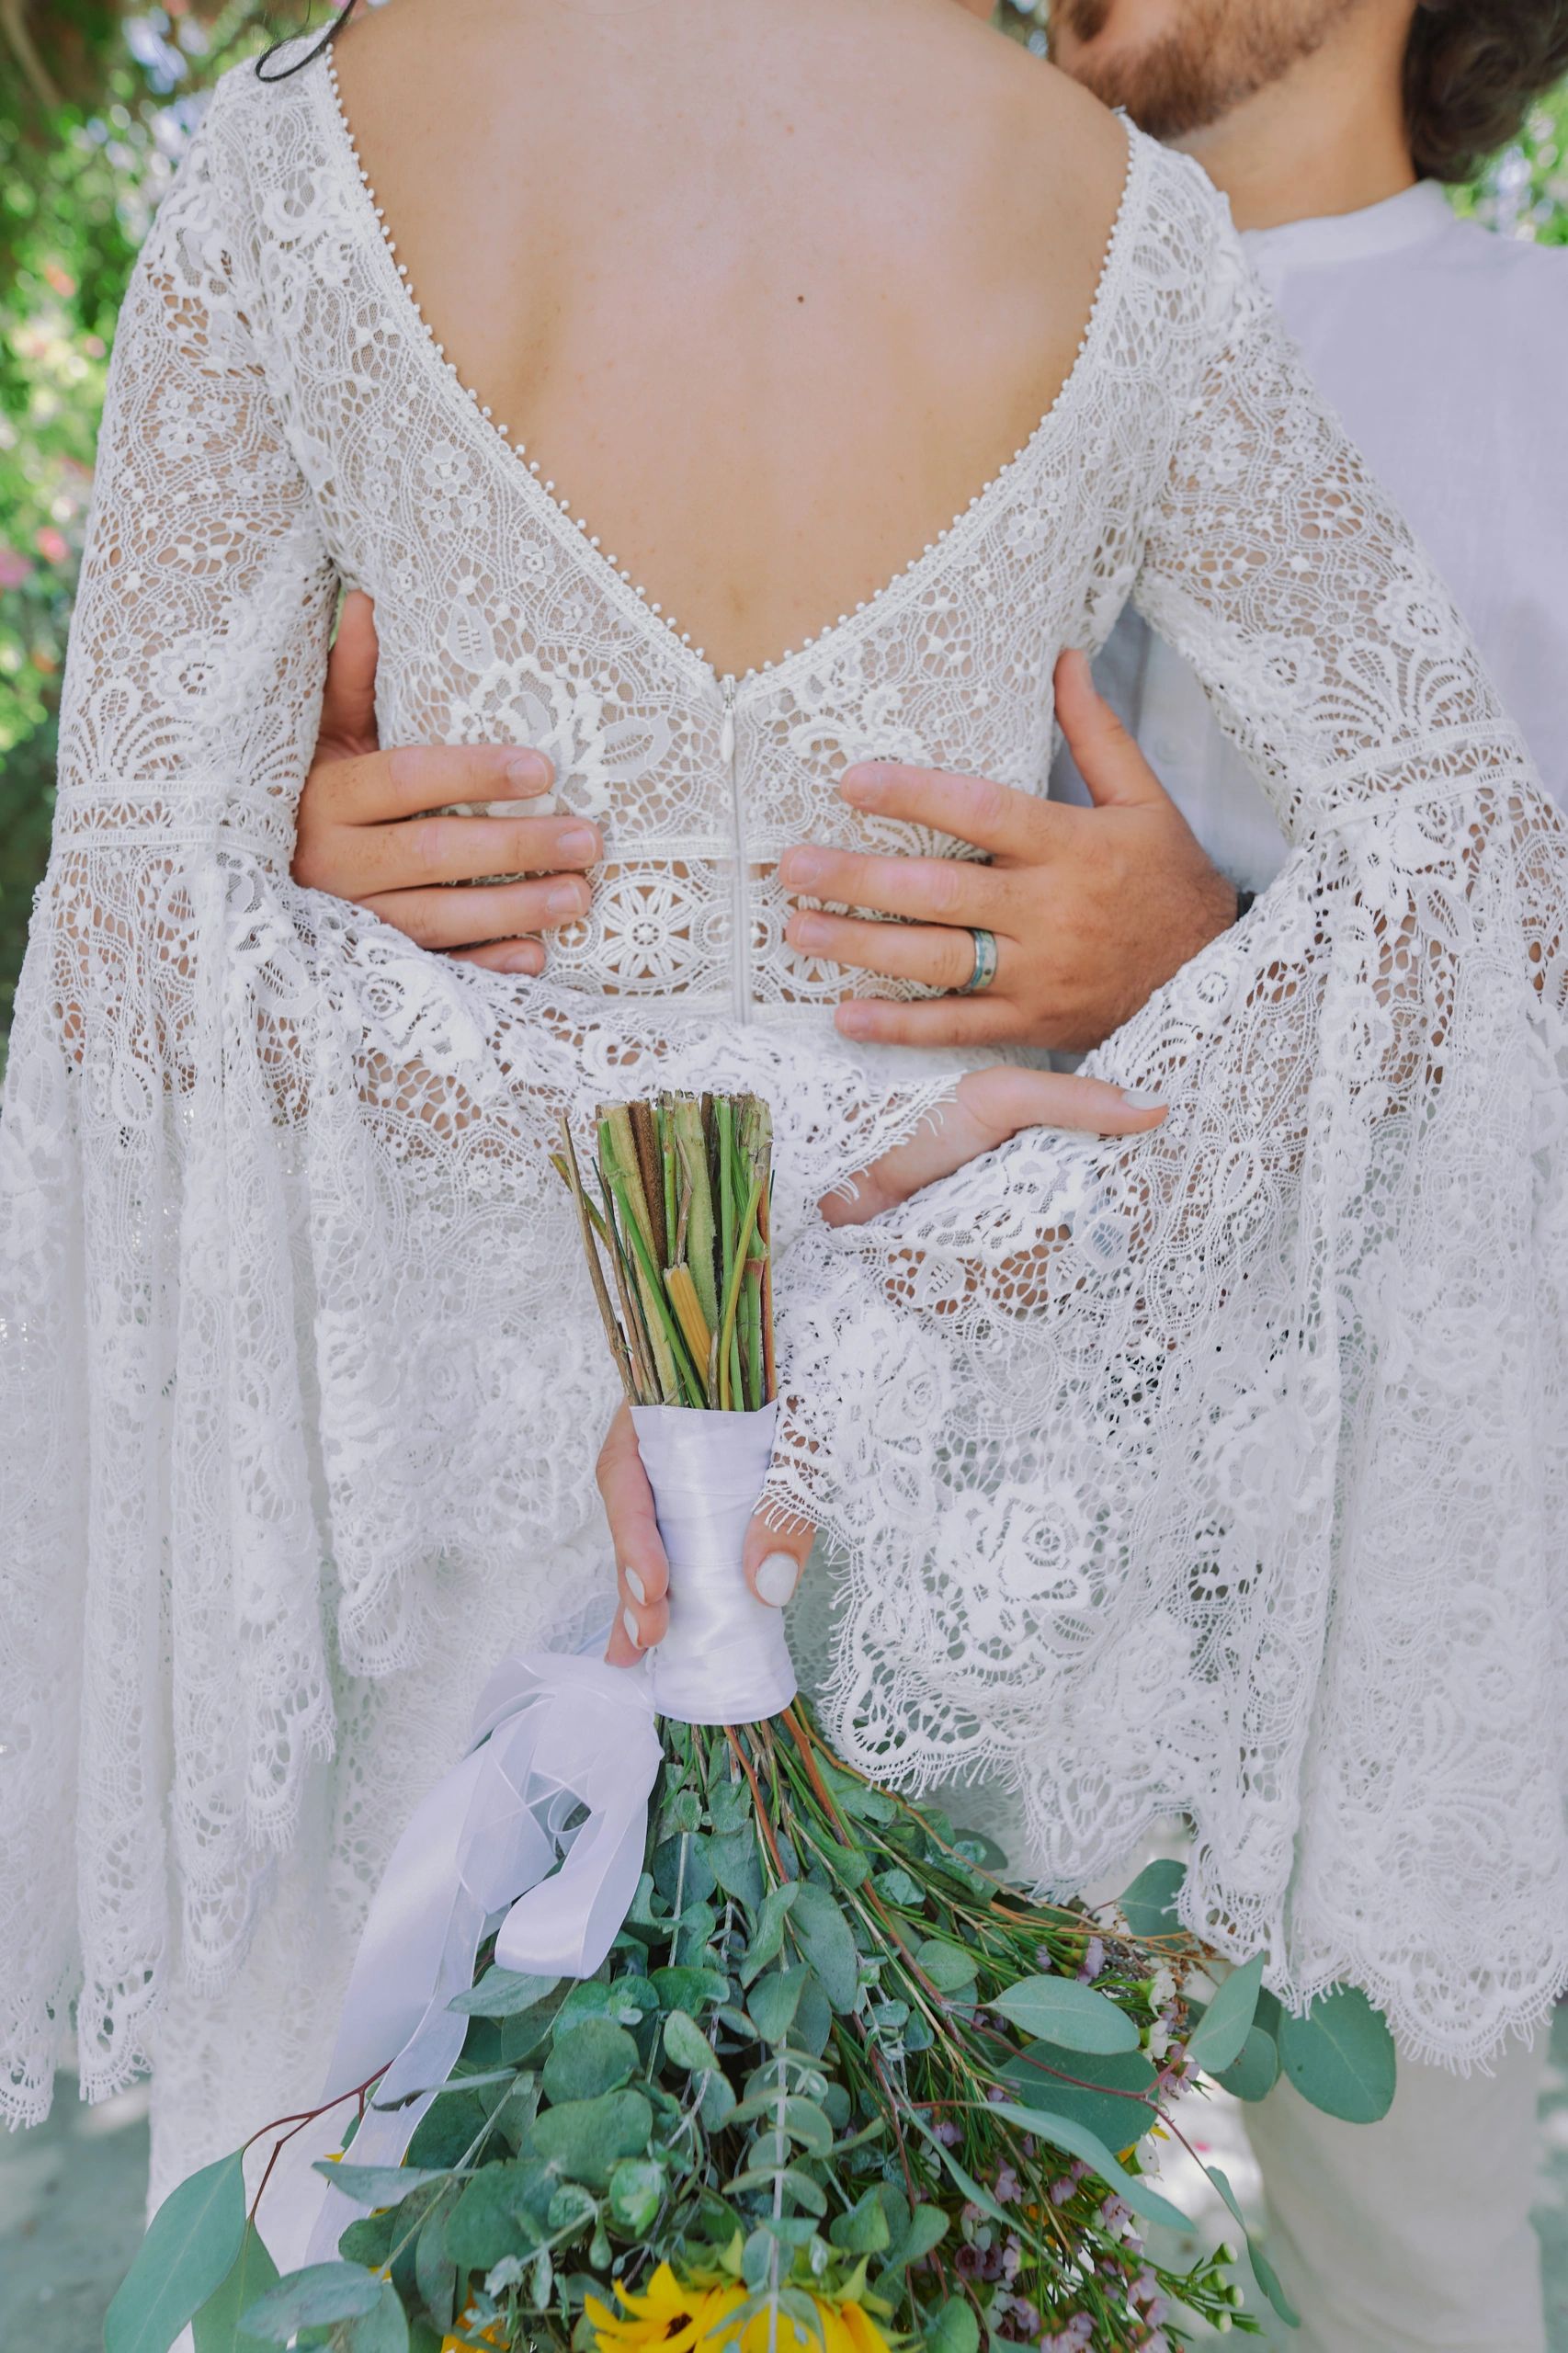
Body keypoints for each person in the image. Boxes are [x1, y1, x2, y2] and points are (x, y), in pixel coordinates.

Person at [1, 9, 1563, 2348]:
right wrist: (1086, 1170)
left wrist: (290, 895)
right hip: (927, 1490)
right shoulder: (1112, 218)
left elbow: (131, 976)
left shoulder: (289, 170)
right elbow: (1478, 895)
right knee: (917, 2250)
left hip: (439, 1496)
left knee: (376, 2231)